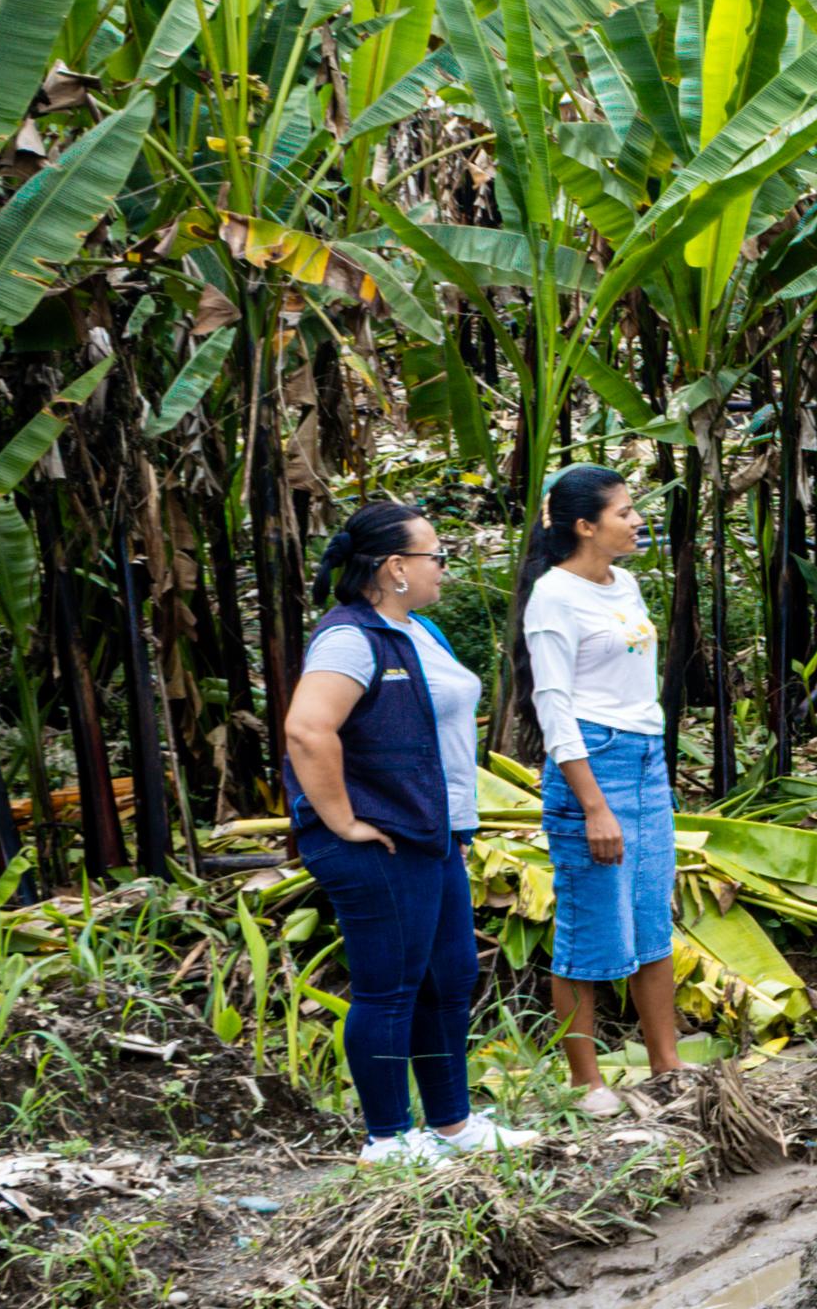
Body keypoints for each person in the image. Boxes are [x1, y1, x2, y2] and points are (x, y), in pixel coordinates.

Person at [278, 503, 525, 1162]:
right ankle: (387, 1138)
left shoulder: (419, 631)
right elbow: (308, 729)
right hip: (380, 840)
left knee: (449, 977)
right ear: (395, 567)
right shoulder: (350, 638)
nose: (443, 566)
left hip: (431, 834)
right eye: (434, 555)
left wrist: (456, 824)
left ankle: (452, 1125)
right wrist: (341, 820)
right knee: (389, 986)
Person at [521, 466, 682, 1096]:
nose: (637, 520)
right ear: (586, 526)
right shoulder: (553, 598)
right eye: (623, 512)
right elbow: (554, 707)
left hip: (644, 760)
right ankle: (588, 1087)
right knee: (589, 928)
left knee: (651, 918)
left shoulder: (626, 583)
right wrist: (593, 806)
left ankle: (667, 1068)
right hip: (592, 763)